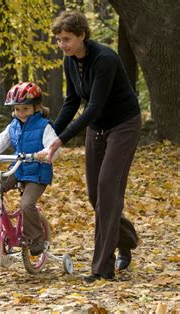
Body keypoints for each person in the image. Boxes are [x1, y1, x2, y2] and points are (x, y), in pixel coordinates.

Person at [47, 10, 141, 283]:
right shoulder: (70, 61)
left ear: (82, 36)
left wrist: (62, 139)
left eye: (66, 39)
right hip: (97, 127)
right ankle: (127, 238)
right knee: (95, 196)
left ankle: (102, 269)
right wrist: (50, 131)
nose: (61, 45)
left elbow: (95, 106)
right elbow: (72, 101)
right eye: (58, 40)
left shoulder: (105, 59)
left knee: (108, 190)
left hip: (123, 124)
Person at [0, 82, 60, 256]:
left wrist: (46, 153)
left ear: (37, 107)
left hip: (37, 173)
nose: (21, 113)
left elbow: (54, 146)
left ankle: (36, 238)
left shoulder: (44, 126)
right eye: (17, 109)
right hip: (18, 169)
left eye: (25, 109)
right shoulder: (13, 126)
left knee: (26, 204)